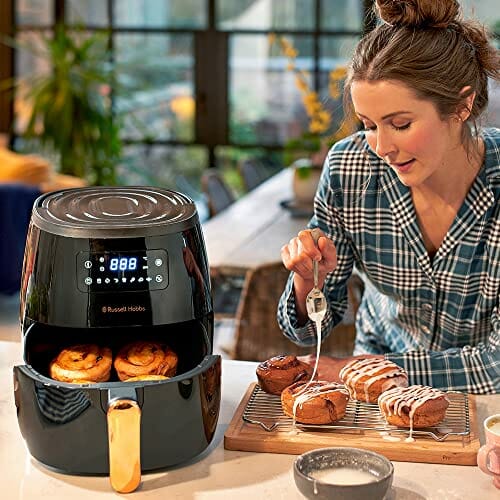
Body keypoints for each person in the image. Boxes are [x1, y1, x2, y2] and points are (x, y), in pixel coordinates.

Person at [278, 0, 499, 394]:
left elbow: (496, 365)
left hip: (482, 408)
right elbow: (308, 330)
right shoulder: (351, 168)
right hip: (375, 396)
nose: (381, 147)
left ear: (461, 105)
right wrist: (307, 280)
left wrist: (354, 370)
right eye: (368, 125)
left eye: (400, 124)